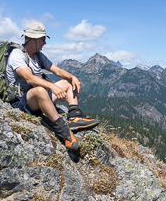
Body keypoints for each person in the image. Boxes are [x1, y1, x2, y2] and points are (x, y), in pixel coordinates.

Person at [6, 22, 99, 151]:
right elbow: (29, 78)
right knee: (40, 90)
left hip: (40, 96)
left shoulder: (38, 56)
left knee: (67, 82)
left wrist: (72, 77)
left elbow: (58, 71)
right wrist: (52, 87)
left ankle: (74, 117)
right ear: (34, 39)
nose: (45, 42)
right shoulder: (17, 55)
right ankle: (63, 131)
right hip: (23, 101)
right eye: (43, 39)